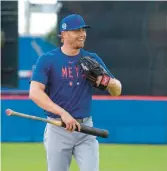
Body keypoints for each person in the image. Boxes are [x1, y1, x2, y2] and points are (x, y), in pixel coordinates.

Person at [29, 14, 122, 171]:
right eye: (76, 30)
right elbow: (35, 93)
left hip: (85, 129)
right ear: (64, 34)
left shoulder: (91, 59)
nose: (82, 34)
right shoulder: (48, 60)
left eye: (84, 30)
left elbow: (117, 90)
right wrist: (63, 113)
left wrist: (107, 82)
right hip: (58, 129)